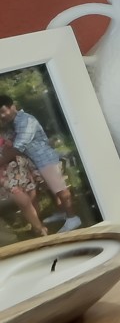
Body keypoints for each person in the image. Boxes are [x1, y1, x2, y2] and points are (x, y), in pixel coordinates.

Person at [0, 98, 82, 233]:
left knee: (60, 189)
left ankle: (72, 218)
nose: (2, 115)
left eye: (3, 111)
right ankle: (62, 212)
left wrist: (1, 161)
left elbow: (18, 147)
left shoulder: (25, 120)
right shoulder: (14, 123)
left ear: (12, 106)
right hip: (36, 161)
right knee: (51, 188)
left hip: (45, 158)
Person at [0, 135, 48, 239]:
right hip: (7, 179)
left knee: (32, 200)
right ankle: (40, 230)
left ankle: (37, 226)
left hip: (23, 171)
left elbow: (20, 150)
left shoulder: (7, 134)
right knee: (25, 202)